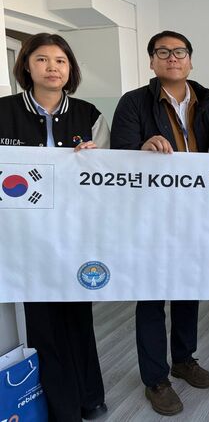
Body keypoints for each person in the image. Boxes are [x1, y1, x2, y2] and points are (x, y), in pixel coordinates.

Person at [110, 30, 209, 416]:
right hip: (151, 218)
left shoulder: (208, 106)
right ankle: (155, 379)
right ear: (152, 61)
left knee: (189, 289)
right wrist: (140, 148)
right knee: (152, 296)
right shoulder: (133, 102)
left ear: (190, 60)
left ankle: (184, 359)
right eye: (163, 52)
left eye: (179, 52)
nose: (172, 58)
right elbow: (118, 158)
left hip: (195, 216)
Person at [0, 32, 109, 421]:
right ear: (26, 66)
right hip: (24, 237)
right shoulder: (4, 111)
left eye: (60, 61)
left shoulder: (89, 114)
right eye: (42, 60)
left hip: (76, 233)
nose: (52, 68)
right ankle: (63, 408)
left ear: (70, 69)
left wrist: (94, 160)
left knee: (78, 316)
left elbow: (107, 177)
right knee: (43, 322)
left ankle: (90, 397)